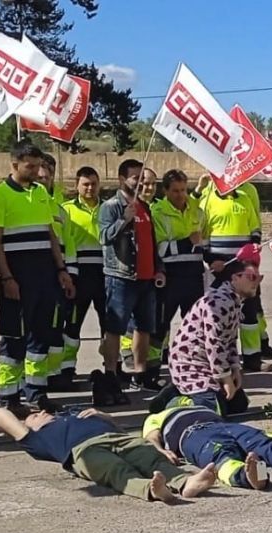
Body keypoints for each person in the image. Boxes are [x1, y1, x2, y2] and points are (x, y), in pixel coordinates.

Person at [0, 142, 75, 415]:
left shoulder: (40, 193)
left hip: (45, 277)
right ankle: (8, 396)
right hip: (17, 277)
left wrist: (61, 270)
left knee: (41, 336)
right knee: (14, 337)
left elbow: (50, 234)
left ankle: (36, 393)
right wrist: (6, 277)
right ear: (14, 164)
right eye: (31, 166)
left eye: (39, 166)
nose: (37, 172)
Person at [0, 406, 217, 503]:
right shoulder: (38, 440)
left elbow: (121, 431)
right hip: (83, 450)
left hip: (118, 438)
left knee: (149, 456)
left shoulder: (77, 416)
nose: (42, 413)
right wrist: (24, 424)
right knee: (114, 470)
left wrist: (104, 416)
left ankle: (186, 482)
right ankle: (151, 490)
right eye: (35, 416)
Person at [142, 404, 272, 490]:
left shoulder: (205, 407)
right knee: (219, 456)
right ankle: (250, 477)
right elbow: (151, 436)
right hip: (193, 435)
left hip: (226, 425)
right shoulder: (160, 416)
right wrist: (160, 450)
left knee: (265, 444)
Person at [98, 158, 166, 404]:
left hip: (146, 278)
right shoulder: (111, 206)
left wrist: (159, 269)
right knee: (115, 328)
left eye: (141, 177)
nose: (139, 182)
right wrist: (123, 219)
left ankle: (140, 373)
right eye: (134, 177)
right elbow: (104, 237)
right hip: (121, 277)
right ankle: (111, 374)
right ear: (121, 179)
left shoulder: (145, 207)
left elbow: (151, 241)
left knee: (144, 328)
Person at [167, 251, 262, 416]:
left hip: (210, 364)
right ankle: (175, 399)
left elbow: (230, 340)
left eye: (259, 278)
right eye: (251, 277)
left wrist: (234, 369)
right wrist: (225, 378)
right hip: (190, 364)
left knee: (238, 405)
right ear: (235, 278)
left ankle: (188, 391)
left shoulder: (234, 301)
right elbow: (214, 344)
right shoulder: (219, 302)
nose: (256, 283)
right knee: (213, 410)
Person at [199, 181, 265, 371]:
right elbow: (201, 236)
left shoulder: (245, 199)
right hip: (221, 268)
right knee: (219, 314)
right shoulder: (208, 200)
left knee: (250, 315)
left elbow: (255, 229)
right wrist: (211, 260)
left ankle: (253, 357)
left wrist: (253, 248)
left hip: (245, 267)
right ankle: (221, 359)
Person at [149, 169, 205, 376]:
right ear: (165, 190)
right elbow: (160, 249)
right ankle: (152, 370)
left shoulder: (197, 211)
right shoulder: (158, 212)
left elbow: (203, 243)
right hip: (170, 276)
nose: (180, 195)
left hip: (194, 276)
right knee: (160, 325)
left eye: (183, 190)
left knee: (195, 325)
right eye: (175, 191)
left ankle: (191, 366)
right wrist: (186, 242)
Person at [61, 167, 107, 389]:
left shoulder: (108, 209)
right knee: (72, 326)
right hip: (79, 274)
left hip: (105, 273)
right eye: (85, 184)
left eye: (93, 184)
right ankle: (67, 370)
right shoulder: (66, 210)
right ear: (77, 185)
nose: (90, 188)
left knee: (108, 325)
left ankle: (112, 369)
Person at [37, 154, 72, 390]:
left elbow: (68, 244)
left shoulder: (60, 209)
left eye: (48, 176)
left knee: (57, 326)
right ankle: (34, 380)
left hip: (58, 274)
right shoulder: (29, 204)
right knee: (35, 329)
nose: (44, 180)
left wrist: (69, 273)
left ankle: (55, 374)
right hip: (35, 272)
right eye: (40, 177)